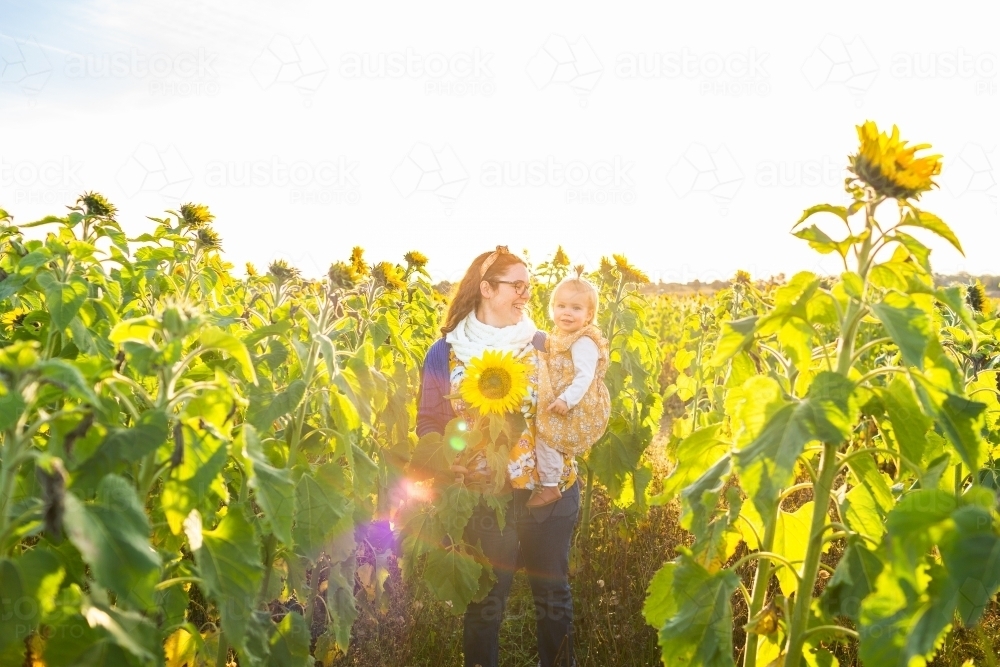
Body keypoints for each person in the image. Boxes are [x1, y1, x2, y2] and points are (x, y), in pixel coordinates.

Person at [416, 246, 579, 667]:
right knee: (486, 602)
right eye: (517, 286)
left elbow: (577, 410)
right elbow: (429, 422)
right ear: (487, 288)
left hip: (550, 495)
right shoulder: (444, 353)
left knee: (553, 597)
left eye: (530, 286)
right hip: (487, 497)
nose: (526, 295)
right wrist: (447, 460)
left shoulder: (544, 345)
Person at [529, 273, 611, 508]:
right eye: (561, 305)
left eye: (576, 308)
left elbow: (585, 376)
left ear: (588, 316)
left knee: (547, 435)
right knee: (552, 435)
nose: (566, 312)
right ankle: (556, 476)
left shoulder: (583, 341)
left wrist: (566, 400)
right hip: (567, 398)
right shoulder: (564, 336)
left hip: (577, 401)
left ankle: (550, 485)